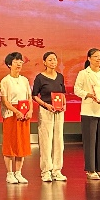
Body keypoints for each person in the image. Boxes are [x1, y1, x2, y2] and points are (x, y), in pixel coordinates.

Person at [74, 48, 100, 181]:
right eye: (96, 56)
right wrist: (89, 94)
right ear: (89, 58)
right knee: (90, 141)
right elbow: (77, 89)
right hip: (89, 110)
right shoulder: (84, 73)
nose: (99, 59)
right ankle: (91, 170)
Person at [32, 51, 67, 182]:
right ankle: (46, 171)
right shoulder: (40, 77)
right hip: (46, 110)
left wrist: (64, 104)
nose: (53, 62)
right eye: (50, 60)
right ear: (44, 62)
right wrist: (45, 105)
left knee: (58, 140)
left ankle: (57, 170)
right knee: (46, 140)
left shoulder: (60, 76)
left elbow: (62, 93)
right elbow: (34, 96)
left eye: (54, 59)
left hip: (59, 111)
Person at [0, 52, 32, 184]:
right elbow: (5, 101)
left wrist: (30, 110)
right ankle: (9, 173)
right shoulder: (5, 81)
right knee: (10, 143)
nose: (19, 63)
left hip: (24, 114)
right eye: (15, 61)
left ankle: (18, 172)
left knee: (22, 143)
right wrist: (16, 111)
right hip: (11, 114)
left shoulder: (24, 80)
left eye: (20, 61)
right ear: (9, 64)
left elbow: (29, 97)